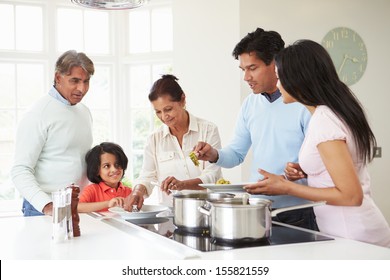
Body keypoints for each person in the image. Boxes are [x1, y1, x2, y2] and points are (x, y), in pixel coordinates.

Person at [244, 39, 390, 247]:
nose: (277, 85)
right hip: (351, 233)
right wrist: (307, 171)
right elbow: (340, 170)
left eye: (280, 77)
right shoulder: (333, 112)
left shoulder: (324, 120)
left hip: (355, 236)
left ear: (298, 79)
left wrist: (286, 187)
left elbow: (351, 196)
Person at [194, 28, 317, 230]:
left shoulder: (305, 104)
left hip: (297, 211)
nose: (246, 77)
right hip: (256, 209)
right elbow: (236, 154)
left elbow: (320, 164)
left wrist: (301, 172)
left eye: (252, 68)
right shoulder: (250, 104)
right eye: (243, 70)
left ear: (276, 64)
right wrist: (214, 154)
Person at [11, 50, 95, 216]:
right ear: (58, 78)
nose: (82, 88)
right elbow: (20, 170)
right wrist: (47, 206)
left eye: (86, 81)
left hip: (77, 206)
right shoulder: (38, 114)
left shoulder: (84, 112)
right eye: (75, 81)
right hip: (43, 208)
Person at [123, 74, 222, 209]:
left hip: (207, 212)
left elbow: (212, 175)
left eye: (168, 109)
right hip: (170, 218)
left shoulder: (208, 130)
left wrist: (182, 185)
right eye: (158, 112)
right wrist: (137, 191)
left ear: (182, 100)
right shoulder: (154, 139)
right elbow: (147, 177)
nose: (164, 117)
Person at [78, 142, 132, 213]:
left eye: (117, 164)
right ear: (97, 170)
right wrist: (108, 203)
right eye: (106, 166)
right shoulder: (92, 190)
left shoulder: (129, 192)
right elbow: (77, 207)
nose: (114, 169)